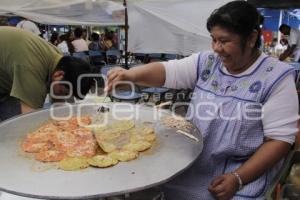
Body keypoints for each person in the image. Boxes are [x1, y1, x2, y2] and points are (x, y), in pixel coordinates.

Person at [106, 1, 298, 199]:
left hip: (240, 172)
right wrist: (131, 75)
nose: (217, 48)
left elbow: (279, 141)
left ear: (251, 38)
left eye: (224, 41)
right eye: (213, 40)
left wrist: (238, 178)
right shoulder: (207, 63)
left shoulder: (276, 78)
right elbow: (167, 71)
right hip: (195, 161)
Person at [0, 27, 93, 121]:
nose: (63, 96)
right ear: (59, 75)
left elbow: (58, 101)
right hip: (7, 82)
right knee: (18, 125)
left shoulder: (57, 58)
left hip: (8, 74)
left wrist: (64, 119)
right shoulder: (33, 71)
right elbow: (29, 121)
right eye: (64, 92)